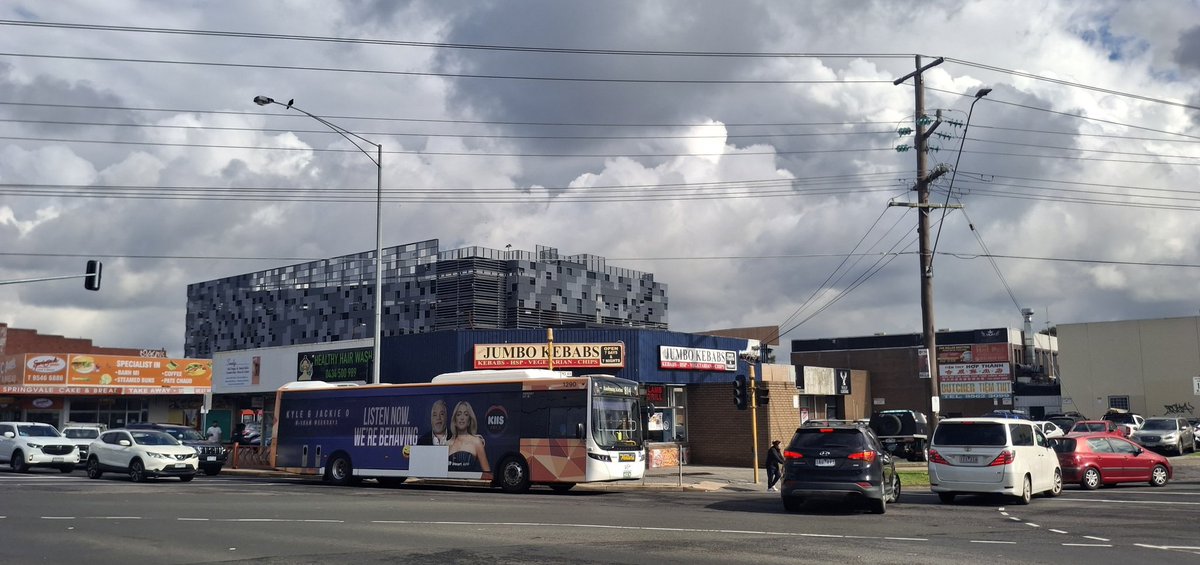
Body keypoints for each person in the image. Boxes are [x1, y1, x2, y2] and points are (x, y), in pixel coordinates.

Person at [447, 400, 490, 474]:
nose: (462, 418)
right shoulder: (447, 444)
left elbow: (487, 473)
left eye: (466, 414)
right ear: (455, 420)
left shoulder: (476, 442)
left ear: (469, 421)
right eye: (459, 414)